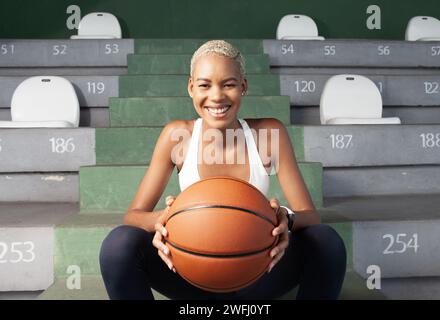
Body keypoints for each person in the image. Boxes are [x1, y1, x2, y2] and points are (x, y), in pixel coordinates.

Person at [99, 40, 346, 300]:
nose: (216, 96)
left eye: (228, 84)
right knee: (119, 245)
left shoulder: (269, 134)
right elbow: (133, 216)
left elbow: (311, 216)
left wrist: (284, 217)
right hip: (190, 273)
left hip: (257, 273)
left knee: (325, 241)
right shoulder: (177, 136)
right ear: (191, 88)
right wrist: (164, 219)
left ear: (243, 87)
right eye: (204, 85)